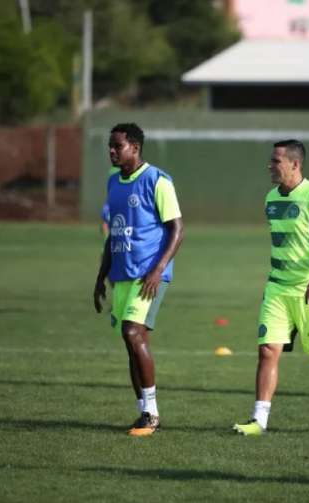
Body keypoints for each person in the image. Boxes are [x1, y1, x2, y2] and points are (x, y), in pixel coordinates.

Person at [233, 139, 309, 435]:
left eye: (276, 161)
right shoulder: (271, 197)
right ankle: (259, 421)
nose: (270, 166)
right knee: (268, 351)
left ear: (294, 164)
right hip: (277, 288)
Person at [93, 122, 184, 437]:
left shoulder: (157, 180)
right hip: (121, 275)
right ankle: (145, 411)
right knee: (131, 342)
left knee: (133, 334)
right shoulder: (114, 183)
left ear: (134, 146)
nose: (112, 151)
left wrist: (158, 269)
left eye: (117, 145)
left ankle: (152, 414)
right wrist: (100, 277)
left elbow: (177, 229)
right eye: (110, 145)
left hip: (148, 275)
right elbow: (114, 233)